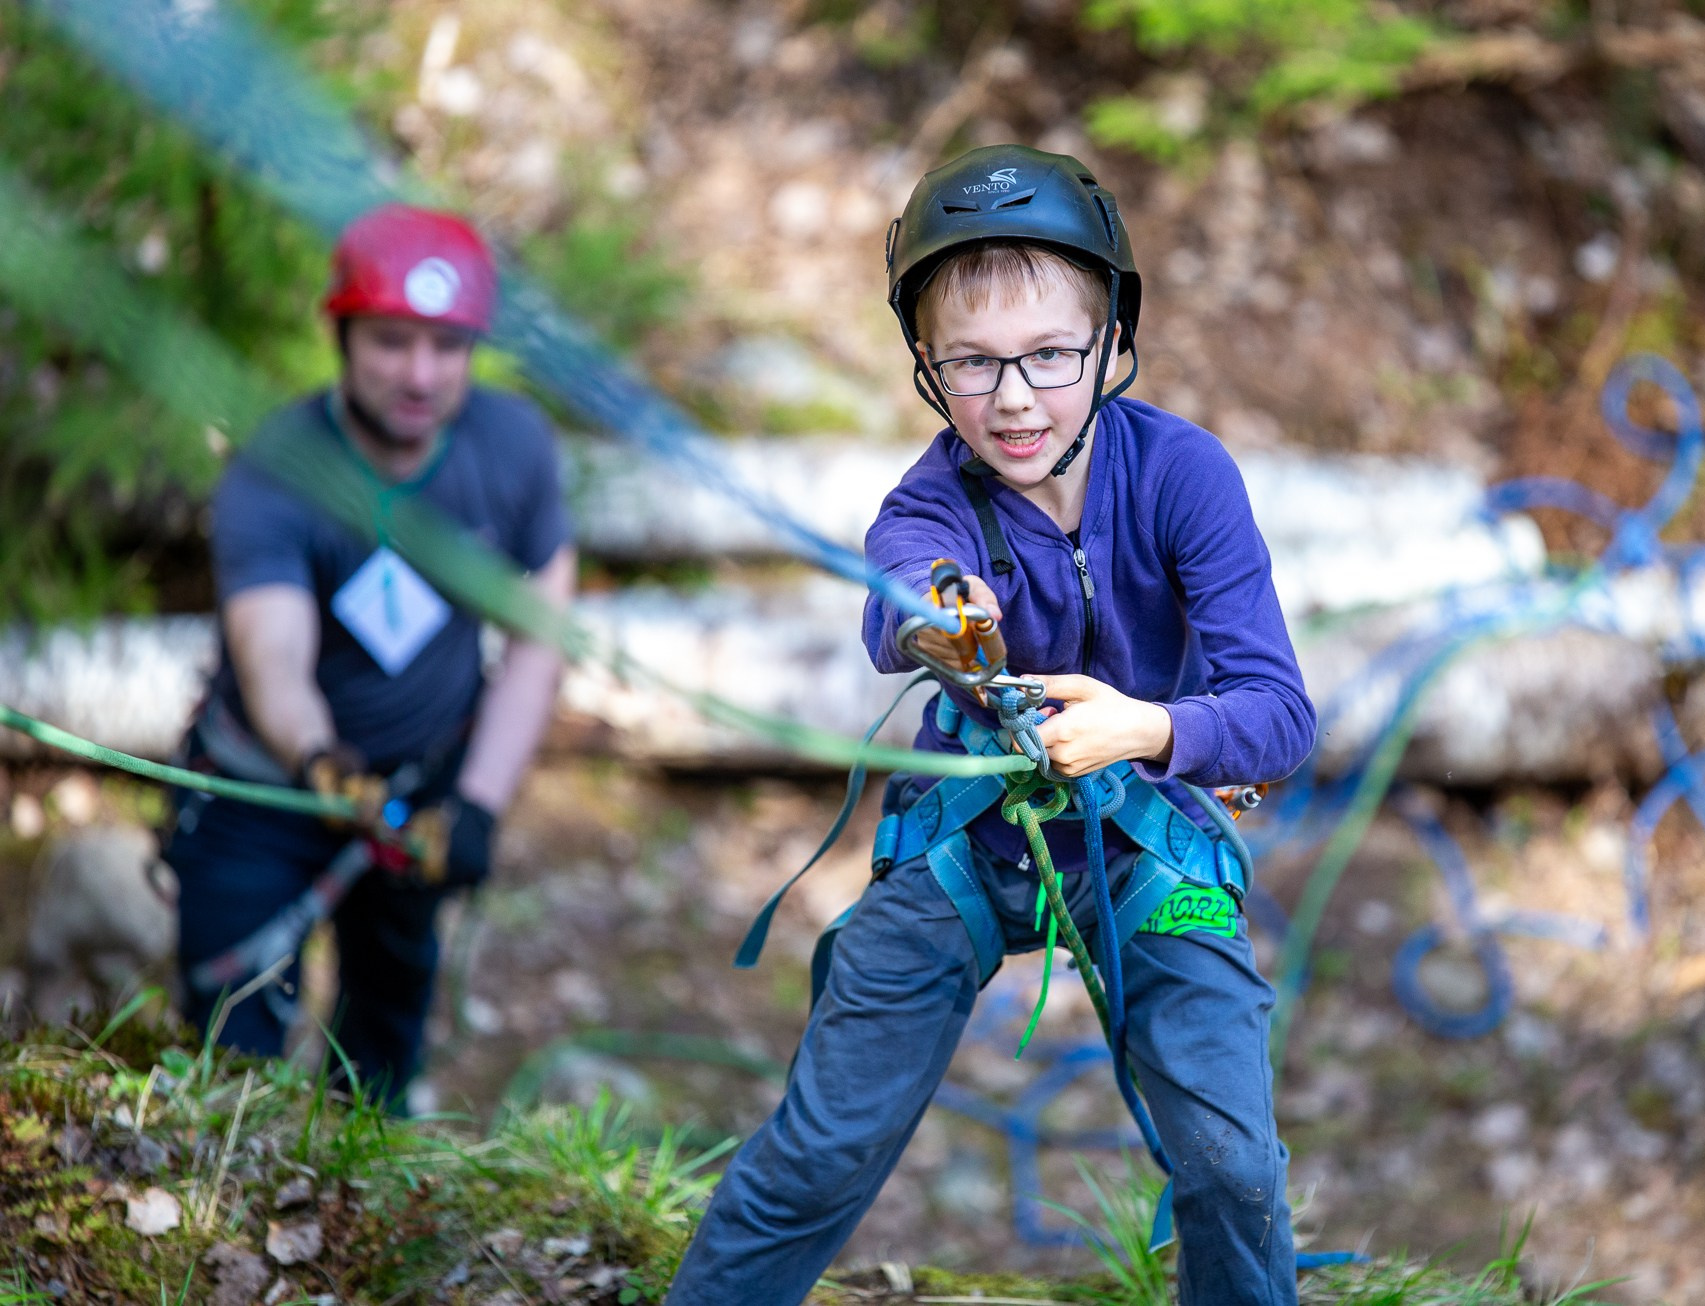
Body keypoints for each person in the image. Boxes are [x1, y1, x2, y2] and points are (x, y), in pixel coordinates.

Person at [669, 146, 1316, 1304]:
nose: (1013, 398)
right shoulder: (929, 505)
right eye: (972, 362)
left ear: (1112, 339)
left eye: (1050, 355)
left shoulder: (1183, 477)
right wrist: (946, 622)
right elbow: (907, 590)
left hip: (1145, 836)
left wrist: (1144, 730)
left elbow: (1277, 716)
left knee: (1229, 1164)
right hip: (969, 838)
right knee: (820, 1151)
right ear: (926, 366)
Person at [163, 203, 575, 1109]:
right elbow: (273, 657)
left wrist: (476, 805)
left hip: (419, 794)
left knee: (384, 1049)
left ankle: (366, 1203)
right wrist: (318, 759)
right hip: (262, 793)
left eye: (445, 345)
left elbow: (540, 635)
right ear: (343, 338)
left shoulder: (511, 451)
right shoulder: (276, 472)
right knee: (231, 1063)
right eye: (392, 342)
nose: (420, 374)